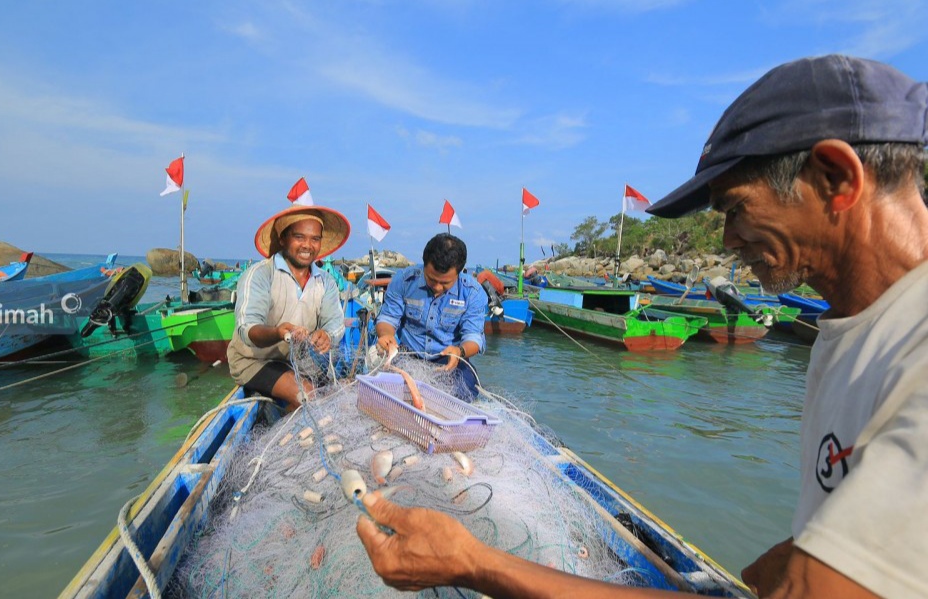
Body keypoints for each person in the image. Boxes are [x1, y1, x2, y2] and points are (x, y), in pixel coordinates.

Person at [357, 54, 928, 598]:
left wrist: (473, 563)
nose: (728, 239)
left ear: (835, 177)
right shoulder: (852, 333)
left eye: (734, 209)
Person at [227, 204, 350, 412]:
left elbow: (336, 323)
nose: (307, 246)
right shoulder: (260, 275)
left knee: (339, 397)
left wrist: (327, 335)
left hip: (298, 362)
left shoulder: (326, 281)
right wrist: (278, 332)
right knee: (308, 396)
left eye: (315, 239)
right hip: (253, 360)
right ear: (283, 239)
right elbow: (248, 329)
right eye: (299, 237)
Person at [375, 233, 488, 400]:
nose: (437, 287)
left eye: (445, 283)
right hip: (407, 355)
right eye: (431, 279)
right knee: (383, 392)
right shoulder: (404, 280)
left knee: (464, 392)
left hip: (449, 361)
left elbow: (474, 338)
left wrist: (459, 351)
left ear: (459, 273)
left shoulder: (473, 293)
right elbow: (387, 318)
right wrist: (386, 335)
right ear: (424, 265)